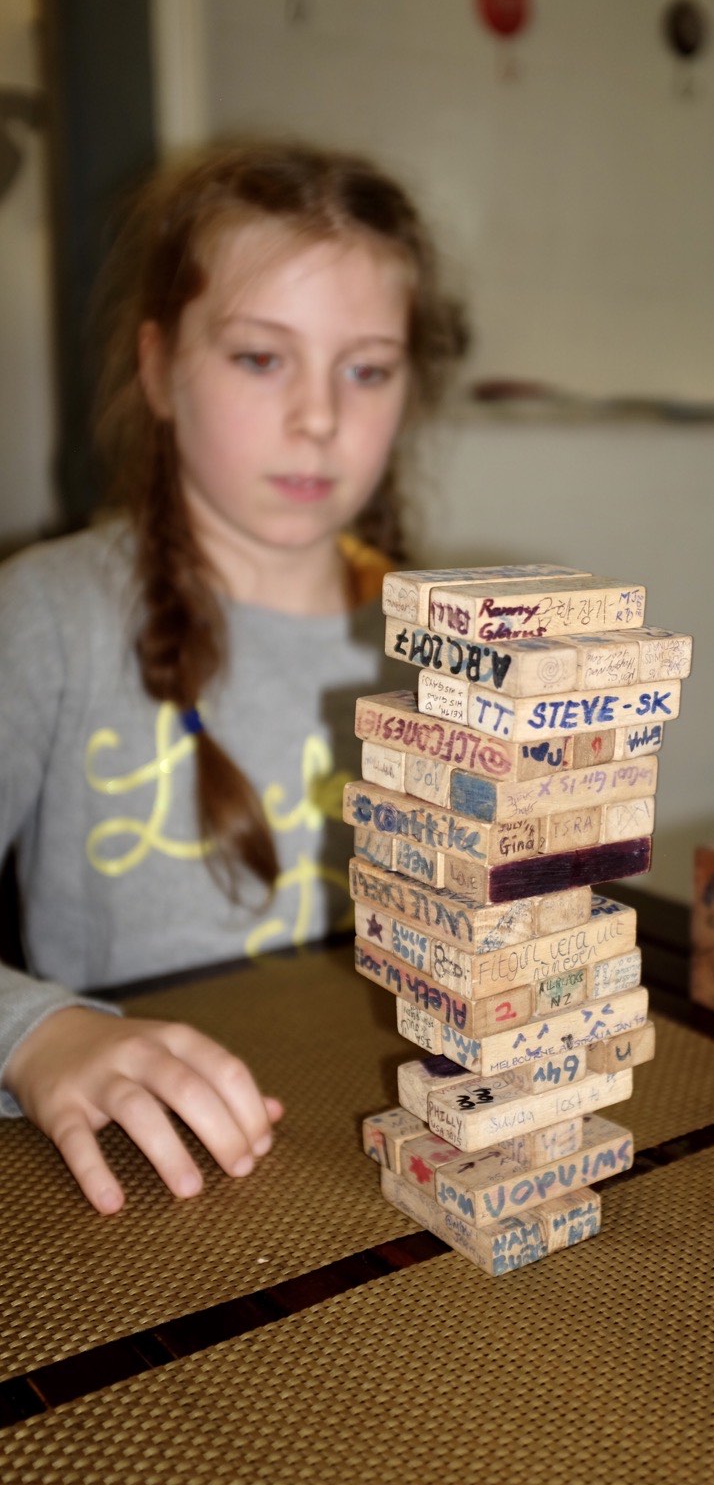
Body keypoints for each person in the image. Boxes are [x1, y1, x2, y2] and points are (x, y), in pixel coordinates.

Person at [0, 138, 461, 1215]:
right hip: (145, 1186)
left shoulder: (444, 640)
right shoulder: (47, 614)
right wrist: (40, 1036)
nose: (319, 416)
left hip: (395, 1185)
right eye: (261, 358)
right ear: (159, 368)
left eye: (367, 369)